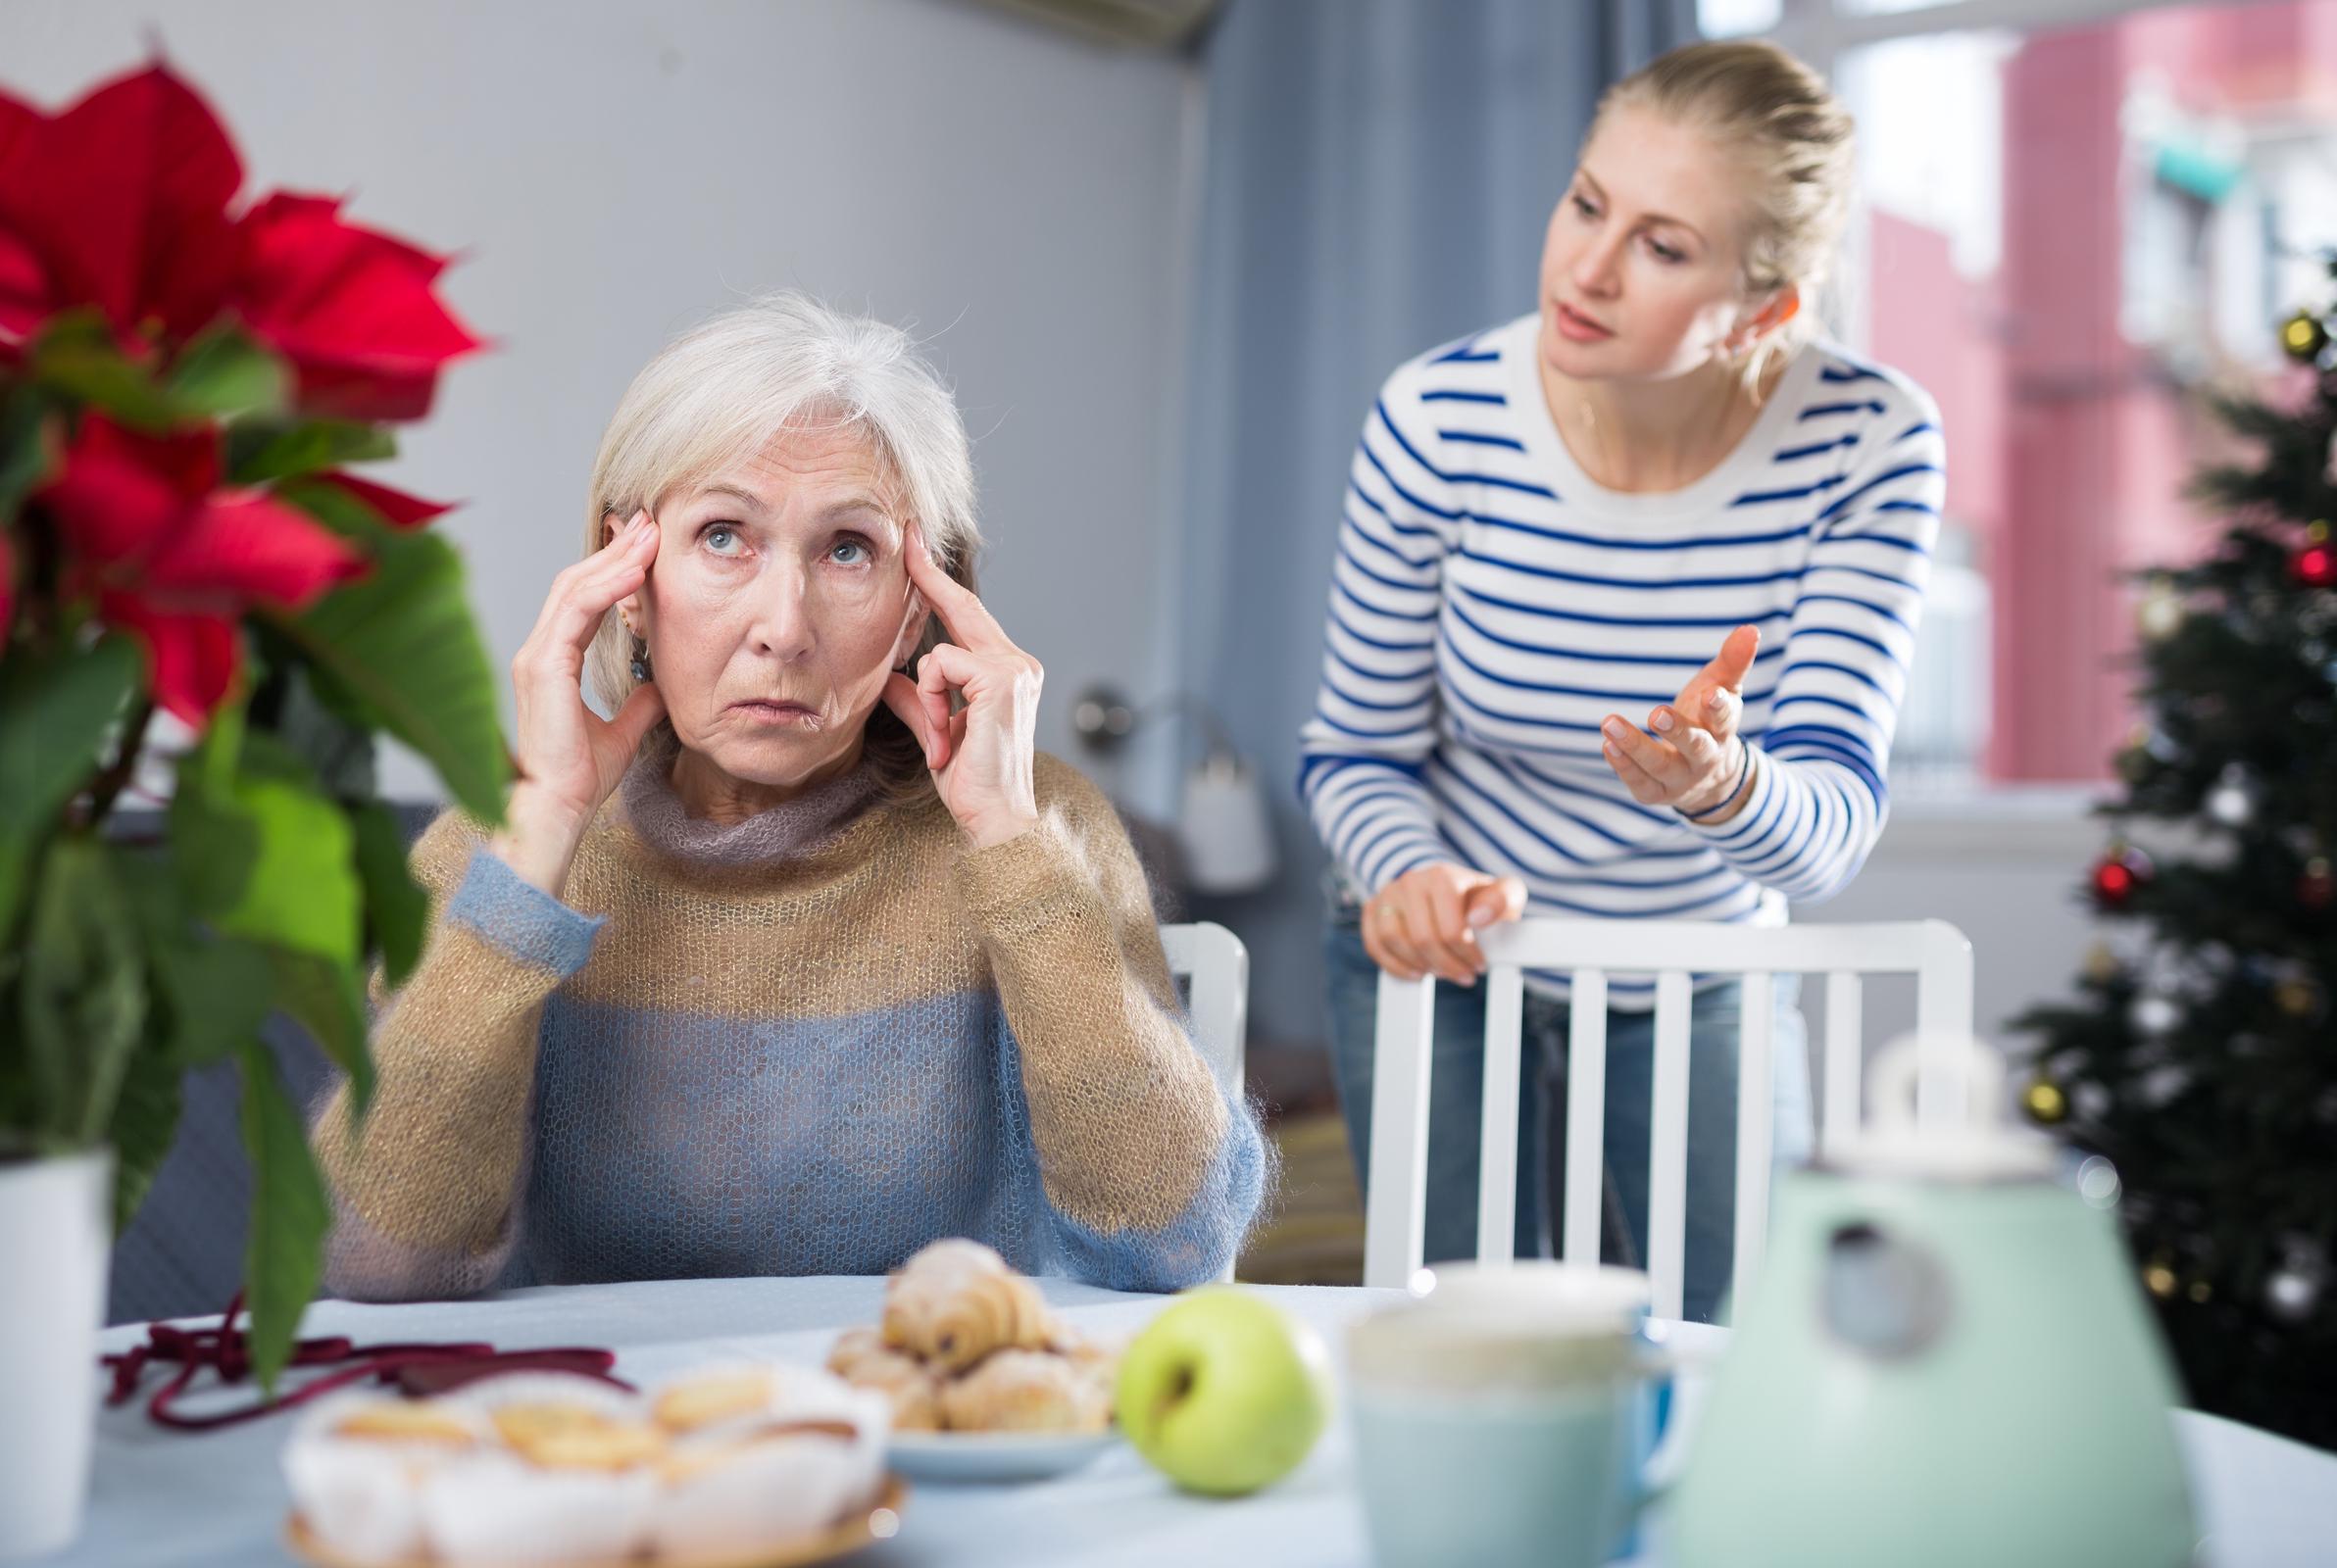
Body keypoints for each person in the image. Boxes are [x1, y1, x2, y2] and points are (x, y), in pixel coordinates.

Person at [314, 292, 1268, 1300]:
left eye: (848, 549)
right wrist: (539, 836)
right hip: (601, 1436)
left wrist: (1011, 844)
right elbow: (378, 1270)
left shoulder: (1038, 821)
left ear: (918, 610)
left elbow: (1178, 1247)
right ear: (627, 578)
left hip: (930, 1417)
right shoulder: (493, 844)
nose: (784, 626)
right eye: (725, 535)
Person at [1301, 40, 1944, 1319]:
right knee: (1467, 1344)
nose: (1586, 269)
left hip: (1700, 953)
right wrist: (1411, 878)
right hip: (1450, 944)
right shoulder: (1438, 419)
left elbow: (1826, 840)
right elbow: (1355, 752)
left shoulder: (1871, 439)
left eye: (1663, 246)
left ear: (1765, 310)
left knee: (1736, 1345)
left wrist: (1726, 786)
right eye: (1588, 204)